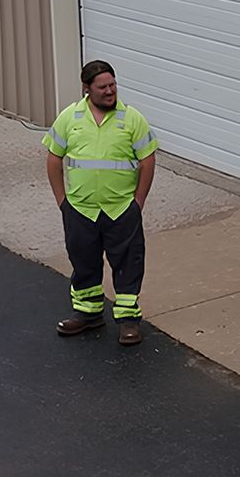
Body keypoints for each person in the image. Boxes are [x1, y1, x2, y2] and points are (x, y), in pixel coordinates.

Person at [44, 60, 160, 346]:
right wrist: (63, 202)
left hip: (121, 209)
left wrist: (137, 203)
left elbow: (147, 160)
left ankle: (128, 321)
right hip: (81, 209)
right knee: (83, 264)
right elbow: (53, 158)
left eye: (113, 85)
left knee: (128, 265)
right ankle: (88, 314)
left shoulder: (132, 118)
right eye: (103, 87)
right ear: (87, 89)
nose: (110, 91)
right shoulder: (70, 118)